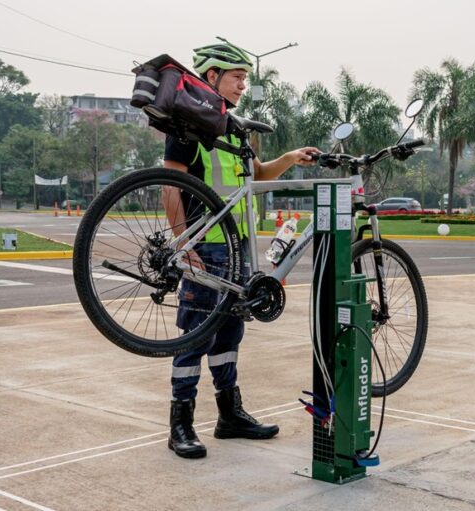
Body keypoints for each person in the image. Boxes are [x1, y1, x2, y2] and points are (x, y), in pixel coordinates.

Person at [163, 41, 319, 459]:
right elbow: (170, 182)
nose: (243, 85)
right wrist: (182, 241)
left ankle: (229, 414)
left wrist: (288, 157)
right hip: (206, 246)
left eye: (246, 78)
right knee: (195, 336)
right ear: (211, 77)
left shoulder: (234, 127)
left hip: (240, 249)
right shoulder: (189, 125)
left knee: (230, 334)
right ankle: (181, 422)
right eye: (236, 76)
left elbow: (258, 175)